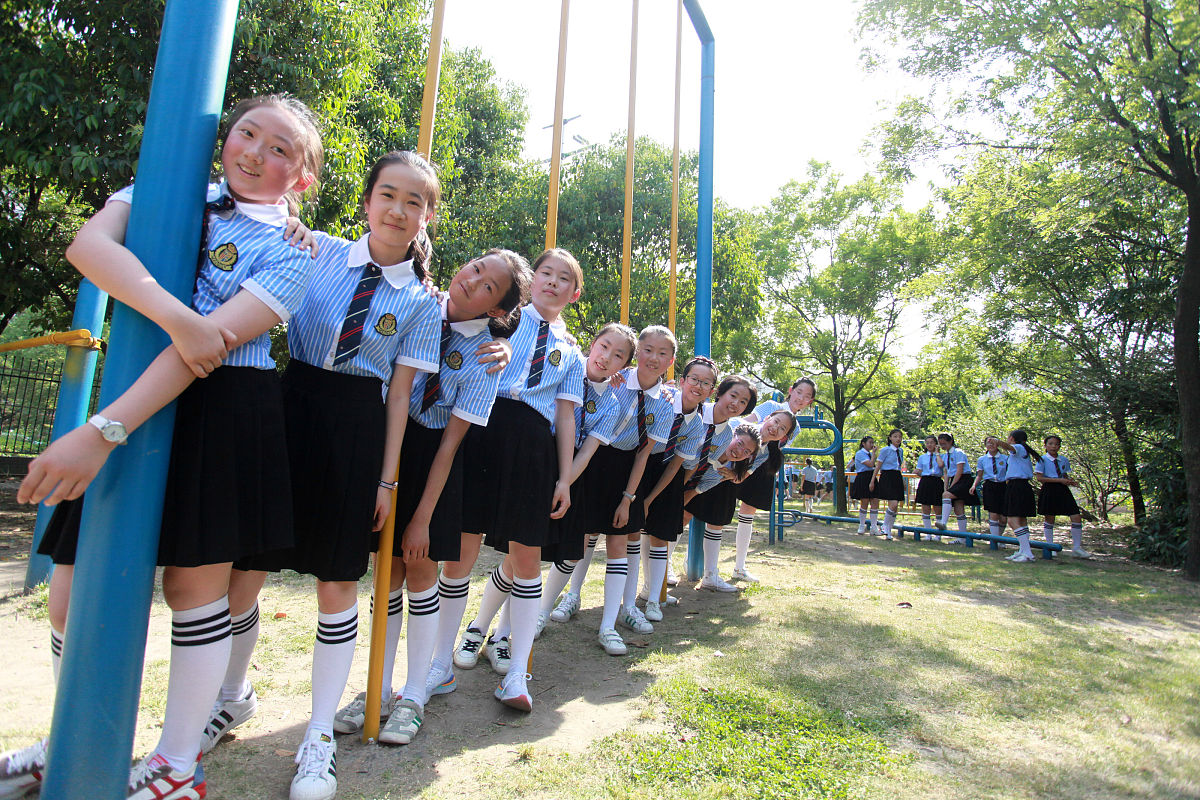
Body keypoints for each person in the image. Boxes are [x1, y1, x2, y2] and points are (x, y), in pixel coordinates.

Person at [15, 94, 324, 800]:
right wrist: (181, 318)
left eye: (281, 149)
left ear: (303, 178)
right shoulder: (166, 188)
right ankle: (70, 739)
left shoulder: (291, 250)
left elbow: (209, 352)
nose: (255, 151)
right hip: (138, 382)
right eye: (247, 133)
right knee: (72, 590)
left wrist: (101, 433)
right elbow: (88, 247)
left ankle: (177, 765)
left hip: (222, 409)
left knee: (194, 588)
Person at [439, 248, 585, 713]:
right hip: (483, 427)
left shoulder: (573, 353)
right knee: (461, 547)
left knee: (528, 557)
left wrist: (564, 478)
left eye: (564, 279)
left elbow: (565, 418)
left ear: (574, 293)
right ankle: (437, 662)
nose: (553, 283)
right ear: (532, 279)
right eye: (546, 273)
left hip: (532, 446)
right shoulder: (502, 318)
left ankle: (518, 671)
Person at [562, 325, 676, 652]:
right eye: (648, 349)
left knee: (619, 539)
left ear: (671, 360)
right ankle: (563, 599)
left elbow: (643, 454)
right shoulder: (614, 379)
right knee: (580, 535)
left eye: (663, 353)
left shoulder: (665, 401)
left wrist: (628, 498)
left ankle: (610, 622)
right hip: (593, 459)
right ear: (637, 353)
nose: (653, 357)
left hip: (626, 468)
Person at [532, 324, 638, 652]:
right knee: (523, 552)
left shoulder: (611, 405)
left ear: (625, 366)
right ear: (592, 345)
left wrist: (565, 482)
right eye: (603, 346)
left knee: (568, 548)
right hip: (537, 459)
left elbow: (589, 449)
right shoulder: (566, 365)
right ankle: (490, 628)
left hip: (573, 475)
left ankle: (540, 611)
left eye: (618, 355)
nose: (606, 357)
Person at [629, 355, 720, 626]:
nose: (699, 386)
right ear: (682, 380)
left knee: (660, 536)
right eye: (694, 379)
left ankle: (655, 599)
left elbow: (676, 466)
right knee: (629, 534)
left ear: (711, 390)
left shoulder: (697, 424)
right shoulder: (663, 397)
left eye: (706, 383)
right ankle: (621, 599)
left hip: (667, 475)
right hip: (639, 463)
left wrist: (651, 499)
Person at [724, 410, 799, 581]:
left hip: (749, 470)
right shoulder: (740, 427)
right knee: (704, 516)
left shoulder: (765, 453)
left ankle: (738, 567)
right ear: (767, 418)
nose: (775, 428)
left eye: (782, 429)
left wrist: (734, 475)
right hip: (716, 469)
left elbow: (743, 474)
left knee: (744, 513)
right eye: (775, 422)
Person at [1036, 435, 1091, 558]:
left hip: (1063, 489)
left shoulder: (1063, 460)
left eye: (1056, 444)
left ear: (1059, 446)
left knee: (1076, 516)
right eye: (1050, 443)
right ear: (1045, 445)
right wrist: (1058, 481)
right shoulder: (1042, 460)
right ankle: (1050, 546)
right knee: (1050, 517)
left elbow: (1064, 474)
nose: (1053, 446)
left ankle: (1077, 547)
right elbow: (1039, 478)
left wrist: (1070, 481)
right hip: (1049, 489)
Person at [997, 429, 1040, 562]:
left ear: (1012, 438)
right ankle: (1022, 549)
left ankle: (1027, 552)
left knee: (1012, 520)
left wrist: (997, 442)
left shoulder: (1019, 448)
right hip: (1019, 486)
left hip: (1017, 486)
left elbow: (1009, 447)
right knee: (1021, 520)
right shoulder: (1022, 450)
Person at [935, 433, 979, 542]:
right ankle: (962, 537)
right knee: (958, 508)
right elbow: (945, 472)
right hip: (953, 478)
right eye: (940, 444)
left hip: (963, 478)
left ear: (950, 442)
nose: (943, 446)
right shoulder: (945, 455)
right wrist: (946, 487)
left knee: (947, 495)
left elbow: (959, 470)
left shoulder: (958, 453)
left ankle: (943, 522)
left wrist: (952, 487)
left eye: (944, 444)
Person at [969, 436, 1008, 543]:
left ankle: (999, 537)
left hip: (1003, 486)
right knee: (993, 514)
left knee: (1004, 517)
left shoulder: (1005, 458)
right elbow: (979, 475)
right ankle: (995, 540)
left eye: (993, 443)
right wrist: (974, 485)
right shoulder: (982, 459)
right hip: (990, 486)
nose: (991, 445)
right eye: (988, 443)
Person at [870, 429, 906, 540]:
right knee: (893, 504)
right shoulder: (886, 450)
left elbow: (899, 467)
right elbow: (878, 466)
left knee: (895, 508)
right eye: (895, 436)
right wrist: (872, 480)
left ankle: (889, 531)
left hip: (897, 476)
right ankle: (885, 525)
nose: (898, 439)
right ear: (890, 438)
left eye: (899, 437)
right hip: (887, 476)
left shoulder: (900, 451)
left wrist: (903, 480)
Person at [914, 435, 945, 539]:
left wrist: (937, 454)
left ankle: (938, 534)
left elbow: (941, 466)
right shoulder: (922, 457)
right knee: (925, 507)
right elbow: (919, 470)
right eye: (927, 443)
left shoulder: (941, 456)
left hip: (937, 481)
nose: (929, 445)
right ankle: (928, 533)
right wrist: (920, 473)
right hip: (925, 481)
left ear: (936, 444)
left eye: (932, 442)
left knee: (938, 507)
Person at [850, 436, 880, 534]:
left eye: (873, 443)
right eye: (870, 442)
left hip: (872, 476)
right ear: (864, 443)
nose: (872, 445)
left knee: (875, 501)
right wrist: (874, 454)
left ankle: (874, 526)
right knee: (865, 502)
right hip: (863, 477)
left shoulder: (870, 454)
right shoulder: (860, 453)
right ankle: (862, 525)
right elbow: (870, 464)